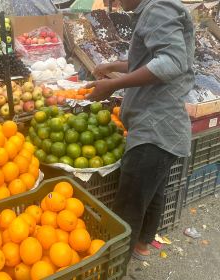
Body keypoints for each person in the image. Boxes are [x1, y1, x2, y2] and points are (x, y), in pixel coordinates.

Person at [85, 0, 194, 261]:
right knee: (153, 192)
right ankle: (142, 246)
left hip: (154, 128)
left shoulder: (158, 8)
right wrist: (114, 66)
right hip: (164, 129)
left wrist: (115, 85)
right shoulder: (155, 9)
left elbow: (172, 62)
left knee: (129, 205)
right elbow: (151, 60)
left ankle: (115, 266)